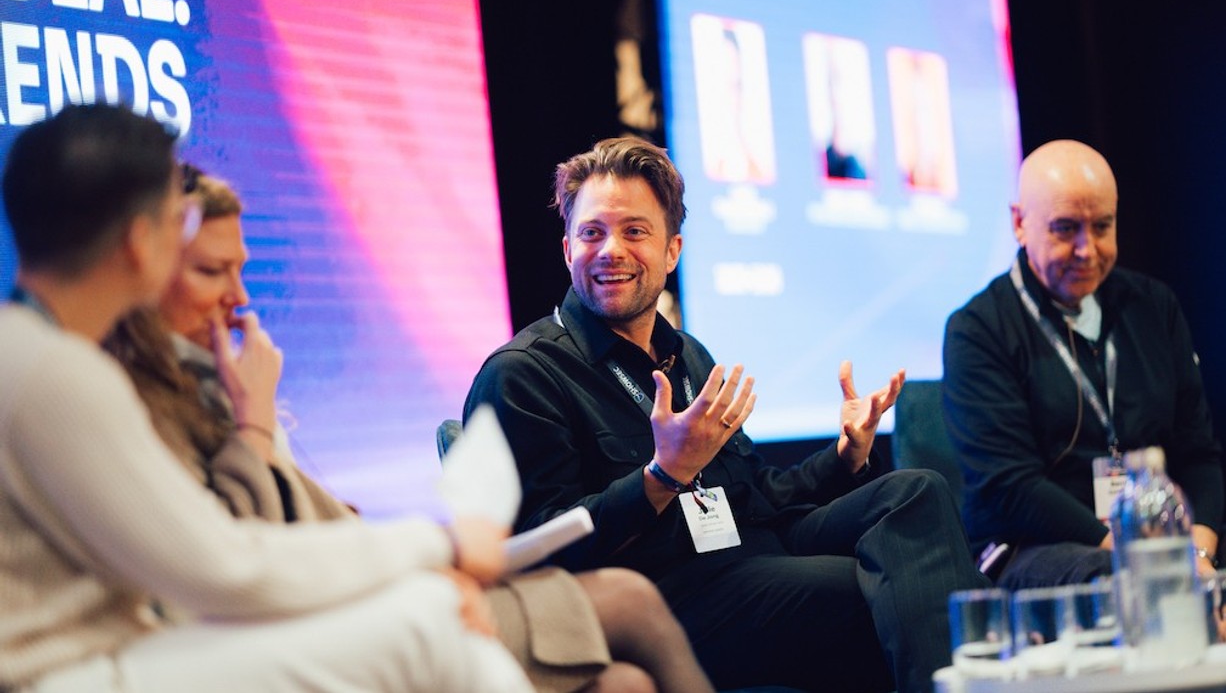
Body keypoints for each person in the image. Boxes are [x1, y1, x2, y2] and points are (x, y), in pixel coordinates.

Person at [102, 168, 714, 693]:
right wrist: (256, 427)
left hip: (350, 596)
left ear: (673, 251)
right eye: (213, 271)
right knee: (630, 600)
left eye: (241, 270)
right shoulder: (131, 404)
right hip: (291, 625)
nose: (239, 298)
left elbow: (304, 526)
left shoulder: (213, 382)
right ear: (144, 267)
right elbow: (237, 559)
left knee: (625, 685)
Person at [0, 103, 531, 692]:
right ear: (138, 240)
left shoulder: (31, 354)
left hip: (109, 659)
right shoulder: (59, 374)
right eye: (181, 222)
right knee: (428, 621)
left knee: (428, 609)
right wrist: (439, 541)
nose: (236, 295)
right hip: (70, 676)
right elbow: (223, 567)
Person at [463, 136, 989, 693]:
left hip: (751, 550)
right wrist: (661, 477)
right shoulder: (524, 375)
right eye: (592, 232)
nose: (611, 249)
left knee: (917, 491)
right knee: (882, 590)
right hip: (667, 598)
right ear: (569, 250)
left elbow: (757, 494)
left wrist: (844, 455)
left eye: (635, 231)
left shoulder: (686, 354)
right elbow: (534, 552)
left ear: (672, 251)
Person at [942, 139, 1226, 590]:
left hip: (1159, 536)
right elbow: (1011, 486)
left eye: (1102, 226)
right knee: (1121, 579)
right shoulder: (978, 329)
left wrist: (1198, 555)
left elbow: (1198, 453)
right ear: (1020, 223)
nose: (1087, 249)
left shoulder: (1154, 306)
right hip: (1033, 546)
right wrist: (1146, 555)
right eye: (1066, 229)